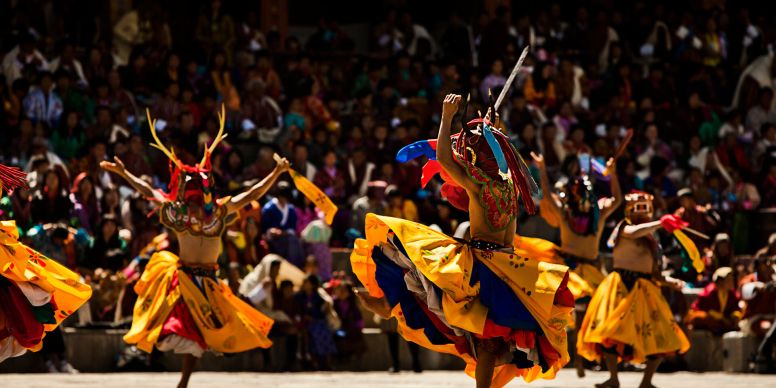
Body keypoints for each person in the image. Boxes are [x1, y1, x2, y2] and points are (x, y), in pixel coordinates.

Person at [353, 94, 573, 387]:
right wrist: (492, 128)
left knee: (415, 257)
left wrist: (447, 116)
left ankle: (390, 305)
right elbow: (499, 150)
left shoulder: (479, 185)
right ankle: (389, 306)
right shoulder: (510, 184)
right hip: (508, 265)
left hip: (484, 267)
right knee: (491, 341)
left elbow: (444, 158)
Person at [101, 108, 287, 388]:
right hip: (184, 279)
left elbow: (252, 194)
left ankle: (183, 383)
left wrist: (276, 172)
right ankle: (170, 369)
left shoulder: (220, 213)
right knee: (178, 330)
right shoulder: (178, 215)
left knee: (203, 336)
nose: (194, 199)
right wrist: (124, 172)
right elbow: (148, 191)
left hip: (210, 282)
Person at [577, 192, 690, 388]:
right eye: (638, 208)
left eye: (645, 209)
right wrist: (660, 224)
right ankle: (613, 378)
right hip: (622, 286)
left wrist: (671, 282)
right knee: (610, 334)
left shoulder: (652, 240)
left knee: (660, 336)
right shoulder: (625, 227)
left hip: (646, 289)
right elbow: (634, 232)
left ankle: (646, 381)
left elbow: (656, 273)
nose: (642, 213)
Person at [527, 151, 622, 377]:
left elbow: (617, 200)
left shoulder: (596, 215)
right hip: (569, 272)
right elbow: (548, 196)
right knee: (572, 317)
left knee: (597, 317)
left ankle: (588, 359)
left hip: (592, 272)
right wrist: (541, 168)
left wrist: (613, 175)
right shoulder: (566, 213)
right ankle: (575, 359)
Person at [0, 164, 92, 367]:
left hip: (35, 256)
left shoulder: (66, 202)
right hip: (26, 249)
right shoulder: (37, 202)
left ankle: (56, 359)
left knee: (35, 304)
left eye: (54, 178)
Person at [685, 267, 741, 335]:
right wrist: (719, 317)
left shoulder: (732, 294)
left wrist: (735, 316)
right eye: (728, 280)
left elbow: (735, 308)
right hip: (710, 320)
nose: (731, 282)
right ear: (720, 281)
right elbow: (698, 309)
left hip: (723, 321)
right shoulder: (708, 293)